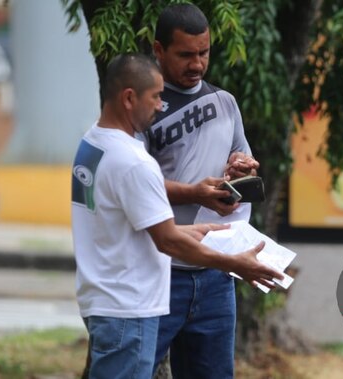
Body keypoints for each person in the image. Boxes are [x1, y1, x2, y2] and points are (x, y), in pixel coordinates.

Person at [71, 53, 281, 379]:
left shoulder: (92, 144)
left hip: (105, 299)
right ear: (129, 98)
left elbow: (154, 229)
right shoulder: (134, 163)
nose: (159, 106)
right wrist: (235, 263)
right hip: (129, 307)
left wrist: (206, 230)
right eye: (155, 97)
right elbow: (167, 240)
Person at [143, 4, 260, 378]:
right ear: (158, 50)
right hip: (157, 270)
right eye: (186, 54)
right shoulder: (141, 109)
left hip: (215, 274)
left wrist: (241, 170)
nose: (197, 63)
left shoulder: (225, 102)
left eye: (204, 52)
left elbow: (243, 161)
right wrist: (194, 192)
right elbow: (130, 184)